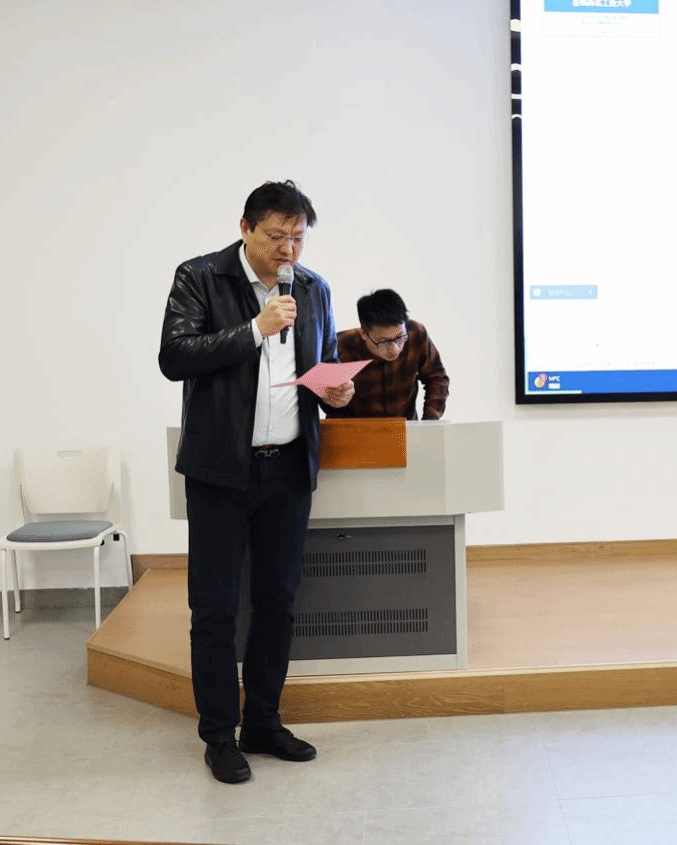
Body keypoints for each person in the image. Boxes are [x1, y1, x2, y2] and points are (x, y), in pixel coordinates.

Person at [158, 180, 355, 784]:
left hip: (287, 469)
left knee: (277, 602)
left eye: (297, 237)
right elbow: (175, 357)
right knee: (215, 608)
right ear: (245, 228)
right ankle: (219, 734)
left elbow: (319, 366)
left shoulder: (313, 288)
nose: (287, 249)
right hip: (220, 469)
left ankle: (263, 722)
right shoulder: (200, 276)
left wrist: (336, 393)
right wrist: (254, 328)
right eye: (276, 236)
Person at [326, 288, 449, 420]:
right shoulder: (339, 346)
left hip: (404, 428)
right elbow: (325, 398)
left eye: (400, 338)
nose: (394, 349)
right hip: (354, 429)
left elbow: (437, 378)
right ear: (363, 334)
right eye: (384, 342)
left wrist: (429, 422)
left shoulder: (416, 334)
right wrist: (334, 399)